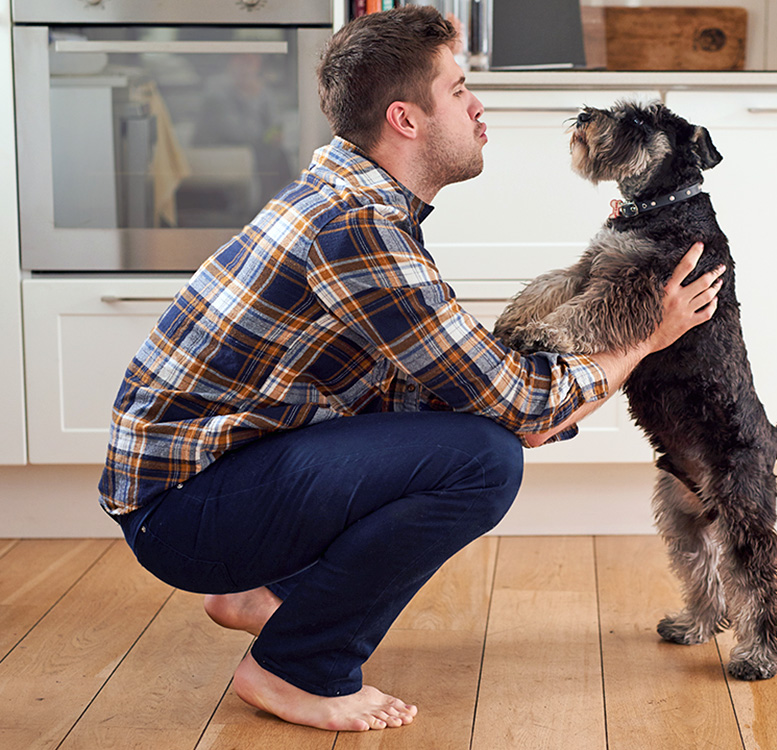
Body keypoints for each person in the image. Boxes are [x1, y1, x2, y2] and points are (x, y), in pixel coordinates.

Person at [98, 6, 725, 734]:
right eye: (459, 89)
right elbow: (517, 407)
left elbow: (448, 379)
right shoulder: (357, 227)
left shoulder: (362, 202)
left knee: (477, 429)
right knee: (484, 460)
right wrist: (646, 336)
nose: (478, 103)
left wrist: (522, 407)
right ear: (405, 118)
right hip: (184, 515)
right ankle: (296, 666)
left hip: (208, 482)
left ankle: (266, 593)